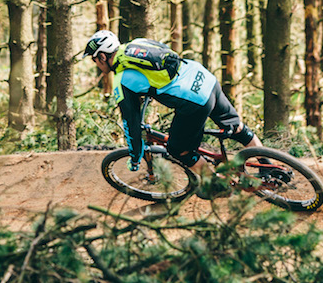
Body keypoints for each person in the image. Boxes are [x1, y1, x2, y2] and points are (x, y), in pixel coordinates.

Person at [82, 30, 261, 180]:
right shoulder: (138, 43)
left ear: (102, 56)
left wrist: (135, 157)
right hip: (204, 77)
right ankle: (269, 167)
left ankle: (215, 185)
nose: (96, 64)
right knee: (237, 127)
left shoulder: (121, 81)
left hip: (194, 100)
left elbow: (131, 123)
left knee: (178, 150)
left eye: (94, 59)